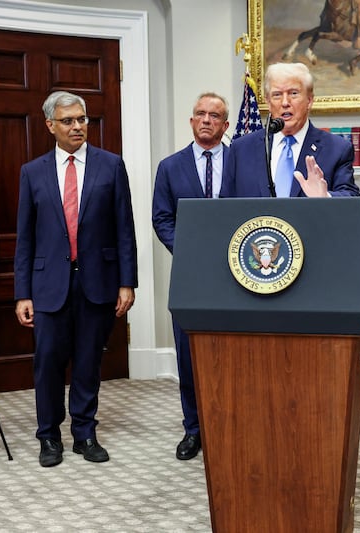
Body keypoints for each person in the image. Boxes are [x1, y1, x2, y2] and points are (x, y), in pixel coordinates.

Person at [14, 91, 137, 468]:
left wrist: (126, 282)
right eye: (67, 121)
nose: (77, 126)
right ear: (50, 125)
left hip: (98, 281)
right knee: (48, 361)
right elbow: (25, 237)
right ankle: (49, 436)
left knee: (88, 361)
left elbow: (124, 228)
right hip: (47, 285)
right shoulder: (32, 172)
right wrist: (23, 293)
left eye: (82, 119)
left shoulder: (111, 165)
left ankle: (84, 433)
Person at [152, 92, 229, 460]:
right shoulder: (170, 166)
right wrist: (189, 251)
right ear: (191, 120)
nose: (206, 120)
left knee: (232, 354)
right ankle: (194, 430)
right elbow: (161, 218)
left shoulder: (243, 162)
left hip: (237, 276)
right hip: (189, 274)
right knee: (188, 354)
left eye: (214, 115)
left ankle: (229, 426)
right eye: (200, 113)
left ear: (226, 125)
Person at [220, 62, 360, 199]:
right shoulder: (242, 149)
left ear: (309, 101)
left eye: (293, 93)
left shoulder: (337, 149)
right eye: (277, 95)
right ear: (268, 103)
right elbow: (225, 205)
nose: (285, 102)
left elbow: (351, 197)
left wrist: (325, 197)